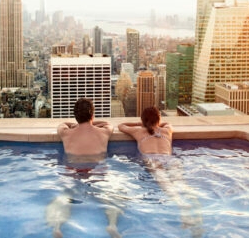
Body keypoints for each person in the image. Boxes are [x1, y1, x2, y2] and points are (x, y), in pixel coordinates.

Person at [118, 107, 203, 238]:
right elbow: (168, 123)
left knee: (167, 186)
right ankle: (198, 217)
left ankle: (182, 207)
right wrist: (156, 124)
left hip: (153, 160)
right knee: (183, 185)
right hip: (169, 159)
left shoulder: (139, 131)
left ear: (143, 120)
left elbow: (121, 126)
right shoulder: (166, 130)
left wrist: (141, 124)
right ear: (159, 119)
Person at [46, 98, 122, 238]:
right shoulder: (103, 132)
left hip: (72, 171)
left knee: (64, 198)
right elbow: (108, 124)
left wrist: (74, 125)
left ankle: (57, 227)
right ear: (92, 115)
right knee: (111, 200)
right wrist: (92, 123)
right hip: (96, 172)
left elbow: (62, 124)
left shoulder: (66, 133)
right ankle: (111, 225)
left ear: (75, 116)